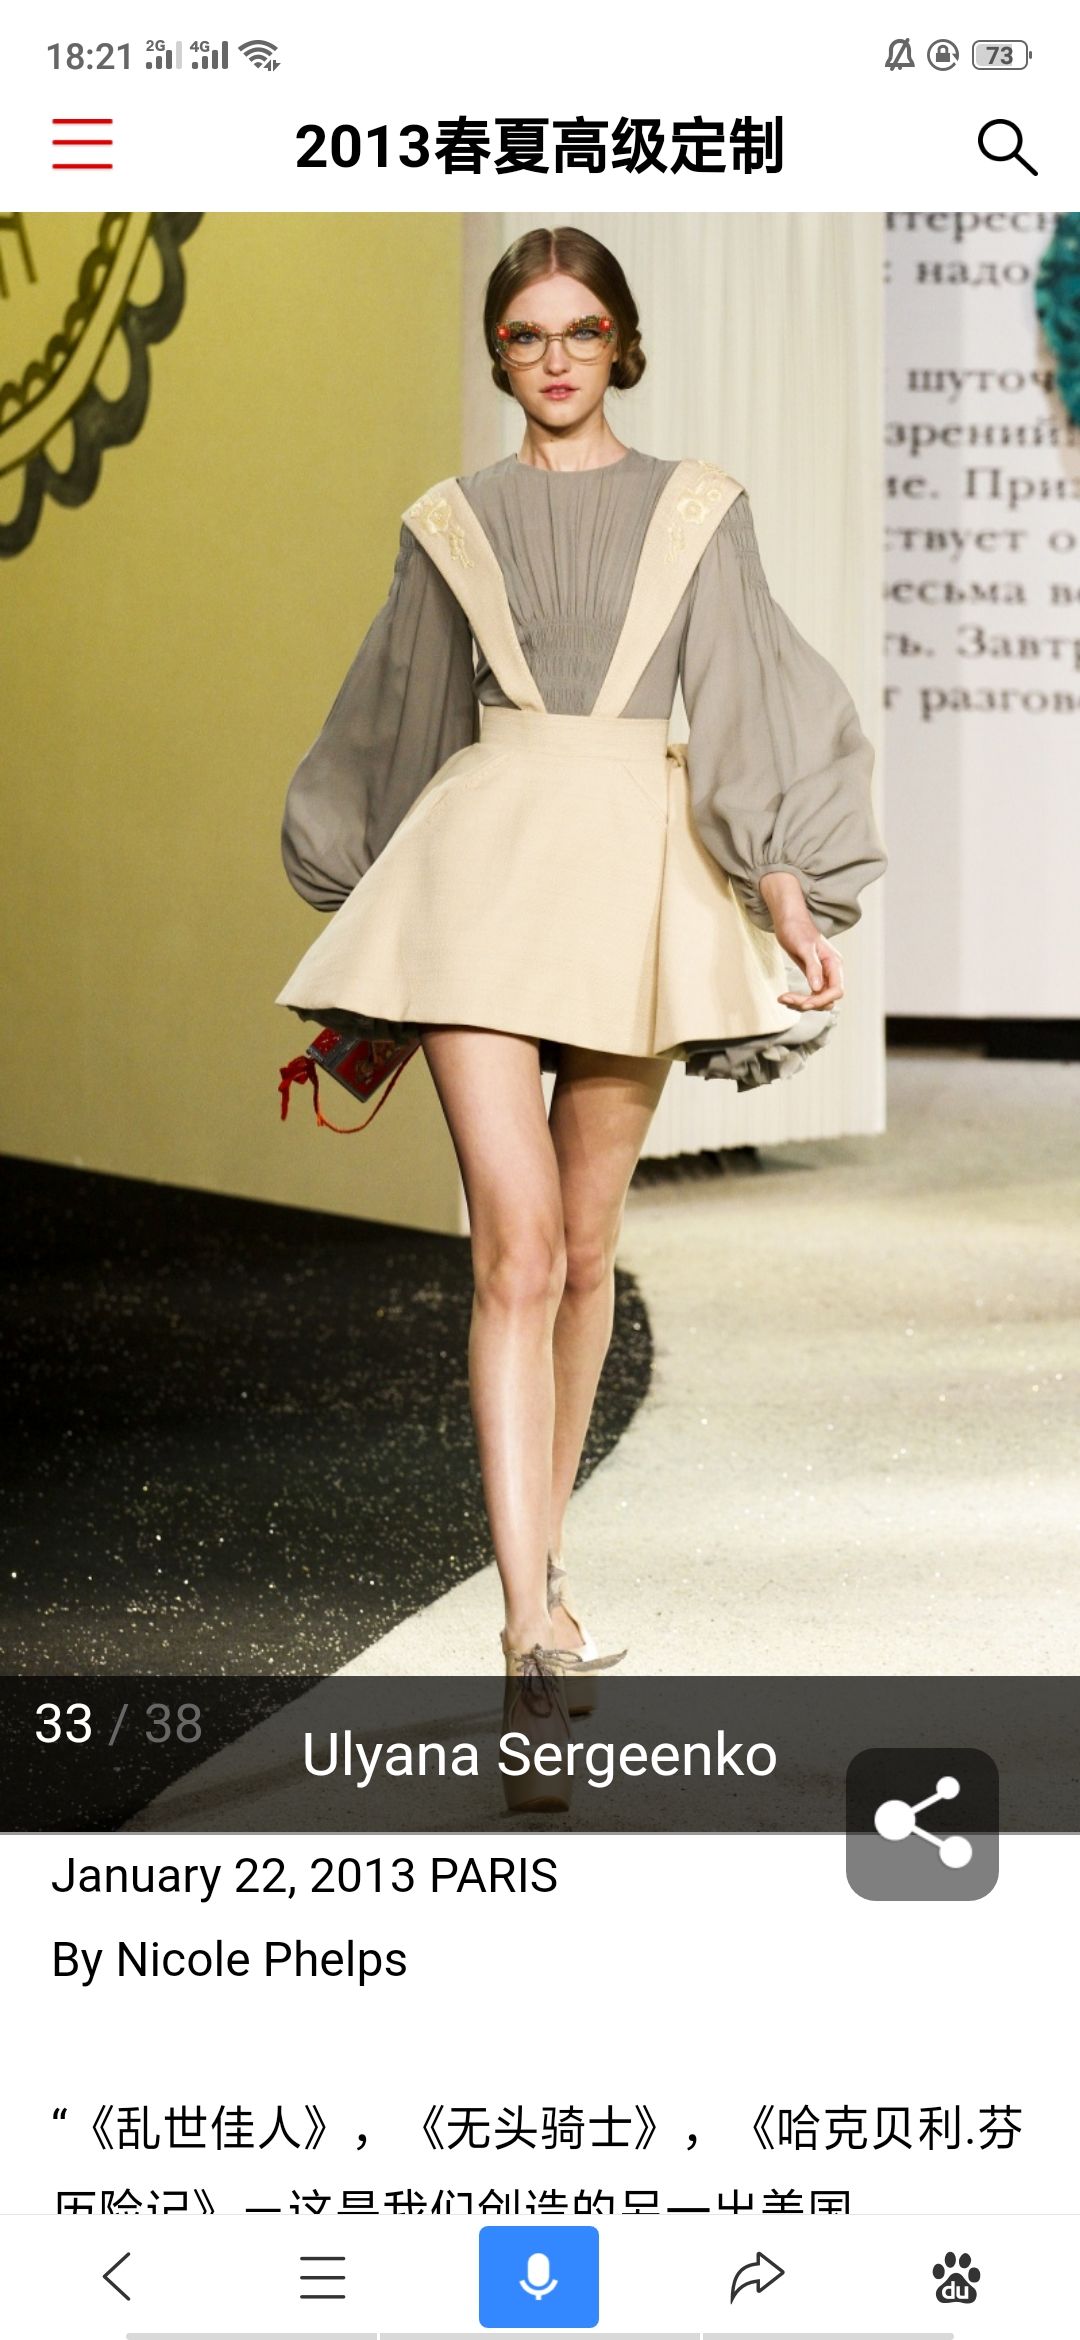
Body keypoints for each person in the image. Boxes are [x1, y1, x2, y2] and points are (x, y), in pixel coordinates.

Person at [275, 226, 887, 1780]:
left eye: (582, 329)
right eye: (527, 333)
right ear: (499, 353)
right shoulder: (452, 523)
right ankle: (526, 1635)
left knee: (590, 1248)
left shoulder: (699, 510)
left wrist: (789, 896)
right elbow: (404, 721)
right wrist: (375, 933)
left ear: (623, 343)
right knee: (521, 1251)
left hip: (632, 884)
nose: (555, 357)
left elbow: (744, 704)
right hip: (481, 880)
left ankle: (543, 1576)